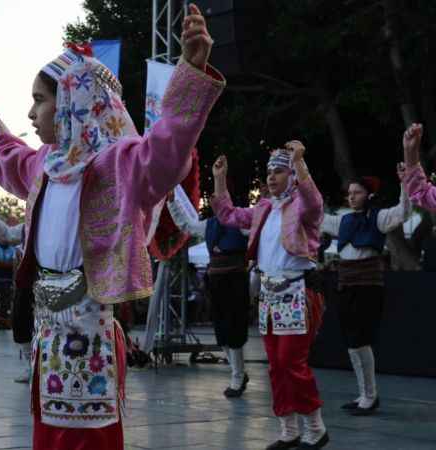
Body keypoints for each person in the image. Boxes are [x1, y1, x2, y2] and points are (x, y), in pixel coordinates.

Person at [0, 5, 222, 448]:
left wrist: (191, 69)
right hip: (48, 331)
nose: (31, 114)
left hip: (91, 329)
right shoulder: (42, 166)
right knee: (49, 436)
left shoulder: (119, 165)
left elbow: (168, 151)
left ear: (72, 100)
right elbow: (0, 150)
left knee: (88, 438)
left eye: (39, 100)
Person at [211, 144, 329, 450]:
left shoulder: (303, 207)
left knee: (292, 362)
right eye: (269, 172)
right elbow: (227, 215)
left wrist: (300, 161)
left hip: (296, 292)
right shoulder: (263, 208)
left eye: (278, 170)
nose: (272, 177)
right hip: (269, 296)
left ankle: (315, 428)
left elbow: (313, 199)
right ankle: (288, 429)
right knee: (276, 365)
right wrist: (220, 180)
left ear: (291, 175)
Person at [320, 166, 410, 416]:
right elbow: (316, 215)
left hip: (369, 286)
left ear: (368, 195)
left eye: (357, 192)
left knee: (361, 340)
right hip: (346, 285)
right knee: (351, 342)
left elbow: (404, 211)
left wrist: (405, 184)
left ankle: (370, 396)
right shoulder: (343, 220)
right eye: (350, 193)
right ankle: (364, 394)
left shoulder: (379, 217)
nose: (351, 196)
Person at [167, 185, 251, 398]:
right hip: (216, 283)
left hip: (236, 281)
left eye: (219, 196)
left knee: (235, 331)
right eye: (212, 197)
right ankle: (237, 371)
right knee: (222, 333)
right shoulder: (210, 225)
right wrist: (171, 201)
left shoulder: (243, 223)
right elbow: (187, 224)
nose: (214, 200)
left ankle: (237, 376)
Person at [0, 202, 33, 384]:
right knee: (21, 323)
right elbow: (5, 233)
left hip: (51, 282)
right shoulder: (25, 228)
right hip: (26, 284)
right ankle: (30, 366)